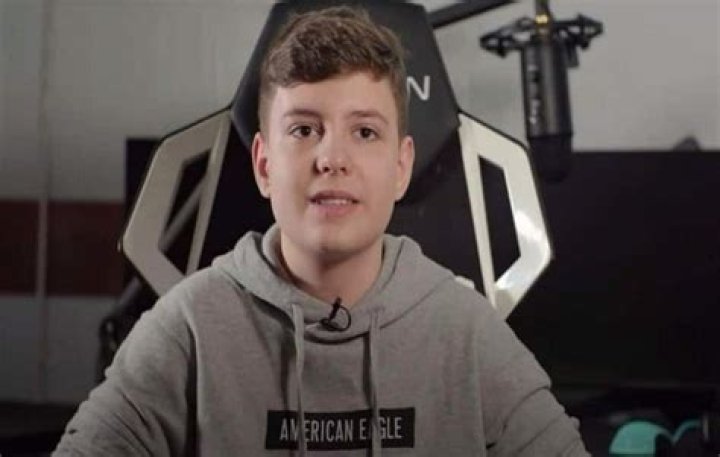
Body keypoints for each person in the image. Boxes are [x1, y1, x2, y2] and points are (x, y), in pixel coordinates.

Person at [54, 6, 589, 456]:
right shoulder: (187, 328)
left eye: (365, 132)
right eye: (305, 129)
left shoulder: (467, 331)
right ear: (264, 164)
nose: (332, 158)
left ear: (401, 166)